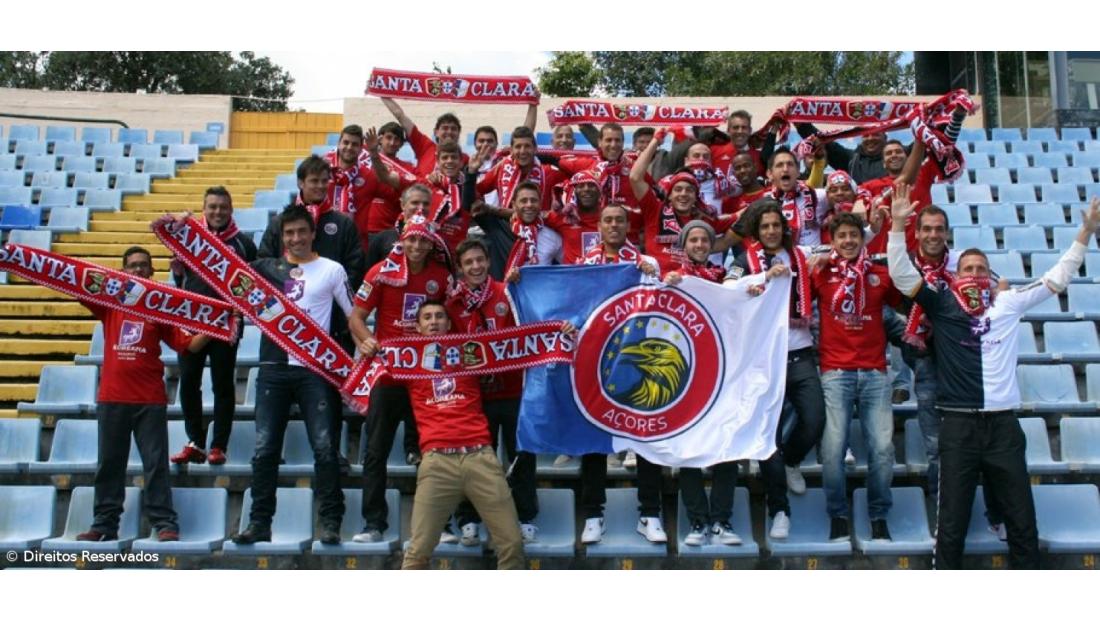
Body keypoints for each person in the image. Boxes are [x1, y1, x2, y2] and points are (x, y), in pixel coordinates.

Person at [888, 189, 1100, 569]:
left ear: (990, 276)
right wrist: (898, 225)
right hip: (957, 425)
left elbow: (1056, 279)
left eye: (980, 270)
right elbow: (902, 274)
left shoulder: (1008, 303)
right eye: (967, 270)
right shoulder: (942, 303)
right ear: (956, 276)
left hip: (1003, 427)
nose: (974, 275)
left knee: (1021, 519)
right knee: (951, 523)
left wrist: (1084, 234)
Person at [231, 205, 353, 545]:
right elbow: (218, 270)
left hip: (316, 370)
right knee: (264, 449)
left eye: (302, 231)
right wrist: (183, 230)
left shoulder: (333, 270)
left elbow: (354, 315)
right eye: (289, 233)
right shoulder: (267, 269)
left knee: (325, 449)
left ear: (313, 233)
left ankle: (330, 521)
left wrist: (362, 357)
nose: (296, 238)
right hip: (273, 370)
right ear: (281, 237)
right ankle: (259, 523)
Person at [76, 247, 211, 543]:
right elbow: (79, 284)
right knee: (109, 464)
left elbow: (187, 345)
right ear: (123, 271)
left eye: (143, 266)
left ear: (152, 273)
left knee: (156, 465)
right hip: (112, 398)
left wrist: (218, 325)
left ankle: (164, 523)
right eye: (132, 266)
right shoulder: (110, 304)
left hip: (150, 399)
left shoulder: (158, 308)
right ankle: (104, 524)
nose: (138, 270)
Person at [398, 301, 528, 569]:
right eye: (427, 318)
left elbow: (518, 345)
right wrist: (366, 345)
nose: (433, 322)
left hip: (480, 456)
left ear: (448, 323)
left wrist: (555, 332)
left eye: (439, 317)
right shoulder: (406, 360)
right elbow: (366, 365)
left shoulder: (470, 354)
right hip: (437, 463)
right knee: (418, 551)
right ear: (418, 327)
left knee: (512, 544)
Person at [725, 199, 826, 540]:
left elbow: (840, 252)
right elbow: (727, 289)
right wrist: (762, 278)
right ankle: (779, 509)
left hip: (800, 354)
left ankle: (792, 460)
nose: (771, 231)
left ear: (784, 228)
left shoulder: (802, 256)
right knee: (768, 437)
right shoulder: (745, 260)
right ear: (757, 230)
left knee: (814, 419)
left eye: (776, 225)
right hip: (763, 360)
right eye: (764, 226)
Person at [349, 215, 453, 543]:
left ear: (432, 243)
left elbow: (454, 320)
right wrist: (364, 339)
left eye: (423, 241)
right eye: (412, 240)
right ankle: (373, 523)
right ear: (401, 240)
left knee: (439, 448)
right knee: (376, 449)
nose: (417, 246)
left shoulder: (441, 276)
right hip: (389, 374)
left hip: (427, 375)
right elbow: (356, 317)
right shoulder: (380, 272)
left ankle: (444, 523)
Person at [572, 203, 666, 544]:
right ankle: (594, 515)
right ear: (599, 225)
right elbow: (575, 308)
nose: (613, 225)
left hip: (636, 362)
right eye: (607, 220)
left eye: (619, 220)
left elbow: (663, 301)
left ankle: (650, 514)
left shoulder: (645, 263)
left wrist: (652, 274)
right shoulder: (584, 265)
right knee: (594, 442)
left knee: (644, 438)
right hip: (597, 364)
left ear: (629, 225)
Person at [811, 211, 902, 542]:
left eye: (853, 235)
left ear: (863, 240)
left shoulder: (880, 276)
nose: (848, 241)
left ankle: (878, 513)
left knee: (883, 448)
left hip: (875, 373)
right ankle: (837, 513)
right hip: (835, 373)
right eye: (841, 236)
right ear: (832, 242)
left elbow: (909, 301)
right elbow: (792, 301)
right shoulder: (819, 274)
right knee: (833, 449)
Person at [447, 239, 541, 544]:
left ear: (488, 262)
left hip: (513, 391)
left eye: (480, 260)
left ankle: (525, 517)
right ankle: (469, 518)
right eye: (468, 263)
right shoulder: (452, 304)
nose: (475, 267)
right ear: (460, 269)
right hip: (474, 398)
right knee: (472, 459)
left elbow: (532, 329)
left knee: (521, 456)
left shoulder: (508, 293)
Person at [662, 221, 743, 545]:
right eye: (693, 239)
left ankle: (722, 520)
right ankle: (698, 522)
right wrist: (666, 286)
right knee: (688, 450)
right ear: (684, 245)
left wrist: (751, 291)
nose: (698, 244)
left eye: (704, 239)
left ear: (712, 245)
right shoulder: (672, 277)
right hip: (686, 378)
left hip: (722, 375)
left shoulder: (725, 278)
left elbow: (742, 309)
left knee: (727, 448)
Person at [170, 187, 256, 467]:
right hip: (191, 322)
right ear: (204, 208)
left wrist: (239, 309)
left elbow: (252, 285)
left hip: (226, 323)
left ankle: (219, 445)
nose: (217, 212)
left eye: (223, 207)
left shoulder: (243, 243)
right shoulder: (189, 238)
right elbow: (180, 280)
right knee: (189, 383)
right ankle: (195, 441)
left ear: (231, 210)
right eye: (212, 207)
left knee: (222, 385)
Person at [323, 124, 407, 252]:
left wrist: (375, 156)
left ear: (361, 148)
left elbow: (398, 194)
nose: (349, 147)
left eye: (355, 144)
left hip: (355, 248)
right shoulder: (322, 171)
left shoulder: (369, 176)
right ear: (339, 143)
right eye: (346, 142)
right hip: (324, 241)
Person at [465, 180, 562, 281]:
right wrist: (471, 173)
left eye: (533, 200)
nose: (529, 205)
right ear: (514, 205)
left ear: (540, 204)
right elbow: (470, 205)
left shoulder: (552, 236)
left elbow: (568, 268)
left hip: (539, 294)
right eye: (523, 201)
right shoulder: (498, 227)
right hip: (504, 294)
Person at [474, 126, 568, 214]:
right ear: (511, 150)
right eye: (518, 147)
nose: (522, 151)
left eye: (527, 146)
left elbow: (578, 178)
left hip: (540, 228)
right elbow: (477, 191)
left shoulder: (548, 171)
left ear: (535, 149)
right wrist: (470, 172)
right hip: (506, 228)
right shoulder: (502, 168)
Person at [766, 148, 831, 247]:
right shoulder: (763, 203)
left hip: (815, 259)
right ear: (770, 174)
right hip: (782, 260)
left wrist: (834, 215)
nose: (785, 169)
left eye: (790, 164)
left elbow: (850, 199)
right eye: (779, 165)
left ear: (798, 171)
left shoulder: (817, 195)